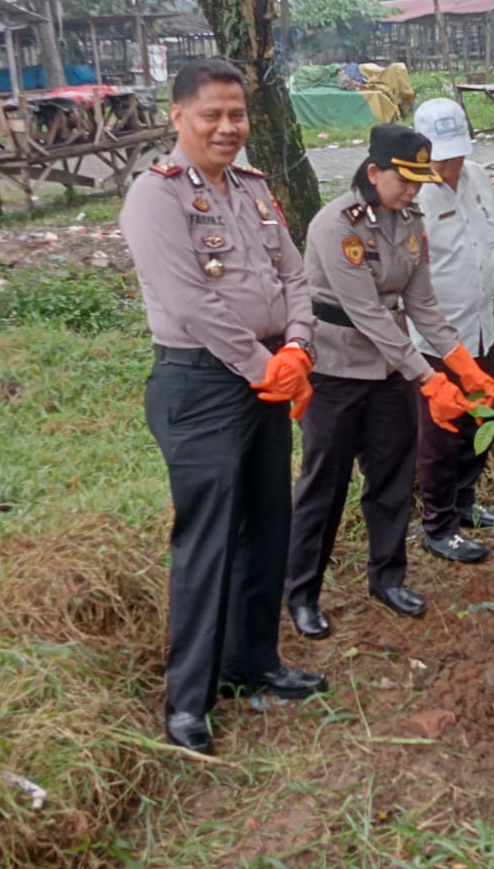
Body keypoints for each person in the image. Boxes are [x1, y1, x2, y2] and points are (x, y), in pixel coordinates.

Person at [118, 59, 325, 755]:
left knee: (268, 524)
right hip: (201, 385)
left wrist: (296, 347)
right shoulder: (157, 197)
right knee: (206, 541)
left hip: (268, 376)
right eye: (212, 114)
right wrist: (269, 366)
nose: (227, 127)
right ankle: (189, 703)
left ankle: (254, 663)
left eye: (237, 114)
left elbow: (294, 275)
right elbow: (189, 303)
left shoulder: (254, 188)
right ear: (177, 116)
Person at [284, 123, 494, 638]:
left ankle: (387, 577)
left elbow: (421, 303)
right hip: (336, 371)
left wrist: (461, 363)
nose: (413, 190)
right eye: (404, 179)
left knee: (392, 478)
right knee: (324, 485)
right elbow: (367, 315)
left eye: (418, 181)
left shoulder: (410, 221)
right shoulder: (336, 225)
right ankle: (302, 594)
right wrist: (428, 377)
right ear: (374, 171)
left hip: (388, 372)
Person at [410, 98, 494, 564]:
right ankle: (438, 523)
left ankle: (466, 502)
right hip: (435, 337)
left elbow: (489, 238)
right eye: (440, 155)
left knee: (481, 414)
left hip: (479, 326)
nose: (450, 164)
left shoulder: (475, 176)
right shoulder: (411, 195)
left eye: (455, 152)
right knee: (441, 430)